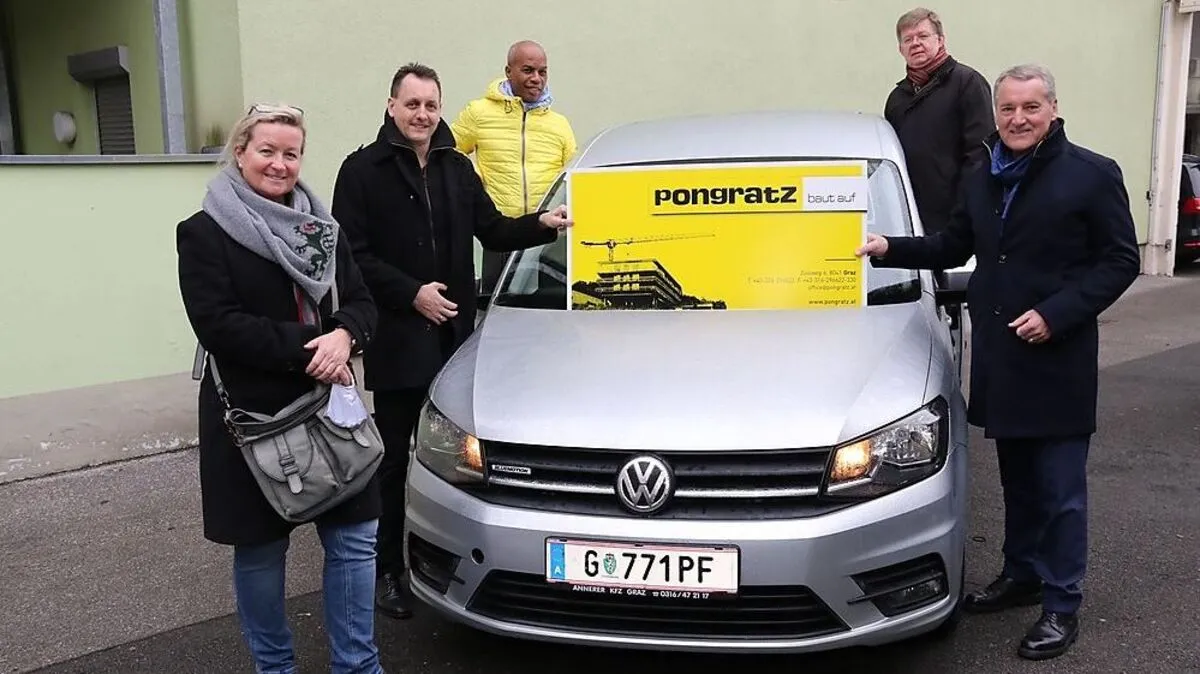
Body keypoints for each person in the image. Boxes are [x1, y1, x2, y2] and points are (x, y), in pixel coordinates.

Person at [857, 64, 1140, 661]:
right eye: (1008, 108)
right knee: (1018, 482)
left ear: (1052, 109)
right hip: (1003, 357)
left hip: (1057, 359)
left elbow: (1120, 261)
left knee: (1060, 491)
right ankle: (1022, 574)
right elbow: (954, 243)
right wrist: (888, 247)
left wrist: (1057, 314)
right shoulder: (983, 174)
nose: (1017, 119)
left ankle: (1061, 603)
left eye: (1030, 107)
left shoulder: (1091, 173)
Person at [332, 62, 572, 620]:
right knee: (394, 461)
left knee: (458, 461)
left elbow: (493, 228)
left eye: (430, 105)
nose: (422, 115)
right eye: (412, 104)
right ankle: (387, 570)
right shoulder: (361, 170)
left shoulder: (457, 167)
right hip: (398, 339)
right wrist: (411, 293)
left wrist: (541, 223)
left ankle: (453, 558)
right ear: (391, 106)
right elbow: (352, 254)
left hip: (453, 341)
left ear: (440, 109)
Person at [176, 104, 384, 673]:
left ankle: (357, 666)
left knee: (356, 539)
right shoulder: (204, 233)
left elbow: (363, 303)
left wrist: (347, 334)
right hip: (254, 421)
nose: (279, 163)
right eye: (266, 150)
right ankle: (276, 668)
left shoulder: (324, 231)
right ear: (240, 152)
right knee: (263, 553)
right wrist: (317, 346)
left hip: (332, 412)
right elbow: (219, 325)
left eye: (291, 153)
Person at [450, 40, 577, 290]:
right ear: (508, 71)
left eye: (542, 72)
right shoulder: (479, 113)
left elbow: (572, 175)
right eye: (528, 70)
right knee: (495, 306)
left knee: (544, 307)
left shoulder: (559, 124)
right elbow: (448, 152)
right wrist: (475, 183)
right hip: (500, 234)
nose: (536, 78)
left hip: (546, 235)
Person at [885, 7, 994, 237]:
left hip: (957, 221)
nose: (915, 43)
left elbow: (980, 155)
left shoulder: (967, 83)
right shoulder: (897, 99)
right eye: (908, 39)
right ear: (900, 49)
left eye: (923, 36)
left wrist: (965, 209)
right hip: (911, 218)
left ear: (940, 40)